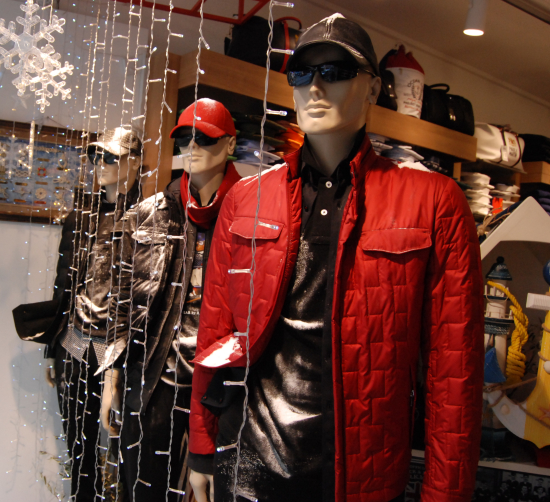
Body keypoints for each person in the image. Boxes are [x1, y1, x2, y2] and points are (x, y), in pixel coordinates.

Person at [187, 13, 484, 502]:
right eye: (302, 74)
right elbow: (216, 329)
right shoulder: (246, 199)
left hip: (361, 473)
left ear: (373, 88)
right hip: (249, 459)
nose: (315, 87)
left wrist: (446, 492)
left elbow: (454, 371)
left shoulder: (434, 202)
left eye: (335, 71)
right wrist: (202, 444)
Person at [98, 99, 240, 501]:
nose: (191, 146)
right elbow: (121, 301)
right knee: (144, 487)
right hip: (154, 377)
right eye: (183, 138)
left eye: (204, 137)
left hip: (223, 383)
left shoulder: (252, 211)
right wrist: (112, 378)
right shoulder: (149, 213)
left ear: (230, 144)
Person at [14, 126, 142, 501]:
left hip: (119, 345)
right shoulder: (81, 216)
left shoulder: (148, 217)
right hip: (74, 337)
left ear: (135, 162)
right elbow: (63, 285)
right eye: (96, 156)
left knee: (124, 444)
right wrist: (50, 349)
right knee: (77, 441)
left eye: (111, 157)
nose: (100, 164)